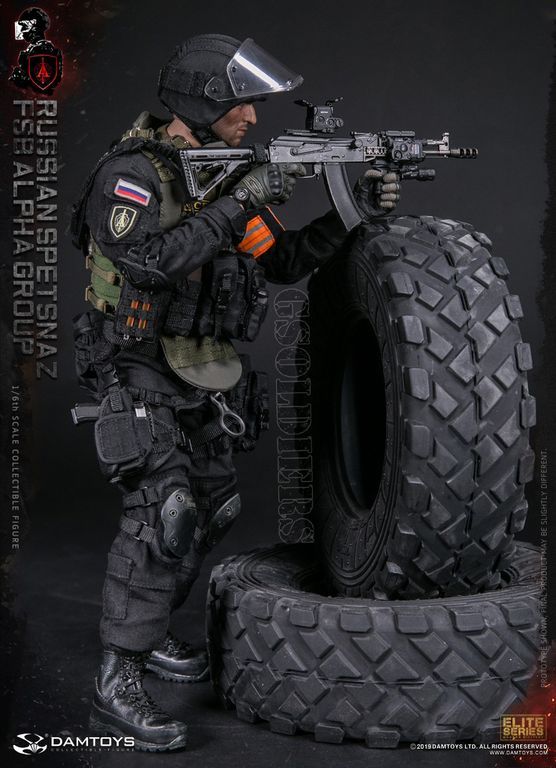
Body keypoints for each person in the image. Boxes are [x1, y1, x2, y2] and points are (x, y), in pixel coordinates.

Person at [71, 33, 399, 752]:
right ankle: (116, 680)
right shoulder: (131, 175)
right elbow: (148, 263)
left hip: (203, 364)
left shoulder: (225, 175)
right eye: (240, 104)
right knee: (166, 514)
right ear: (200, 103)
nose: (251, 117)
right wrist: (243, 196)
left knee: (214, 507)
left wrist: (352, 212)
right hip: (135, 360)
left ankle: (152, 627)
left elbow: (281, 260)